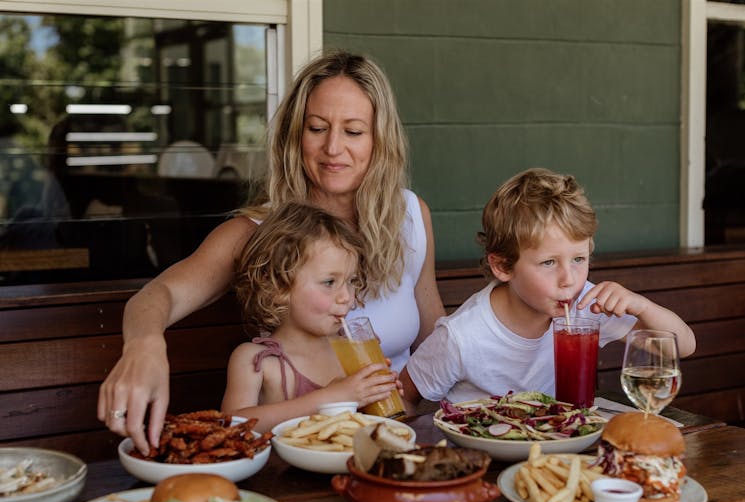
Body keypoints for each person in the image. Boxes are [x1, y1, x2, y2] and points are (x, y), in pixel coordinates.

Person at [98, 49, 446, 453]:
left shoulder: (410, 215)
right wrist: (145, 345)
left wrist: (421, 413)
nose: (333, 148)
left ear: (379, 140)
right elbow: (159, 295)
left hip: (400, 432)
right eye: (317, 128)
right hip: (304, 446)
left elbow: (432, 338)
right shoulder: (259, 233)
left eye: (353, 131)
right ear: (295, 134)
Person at [400, 168, 696, 406]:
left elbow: (683, 346)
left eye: (579, 258)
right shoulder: (462, 337)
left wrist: (641, 306)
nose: (569, 278)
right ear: (503, 266)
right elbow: (406, 397)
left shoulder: (585, 305)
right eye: (549, 263)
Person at [221, 201, 400, 432]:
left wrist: (378, 394)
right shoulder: (259, 360)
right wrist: (332, 398)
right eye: (329, 282)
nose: (346, 296)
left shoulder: (349, 351)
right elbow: (231, 424)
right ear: (277, 288)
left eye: (351, 281)